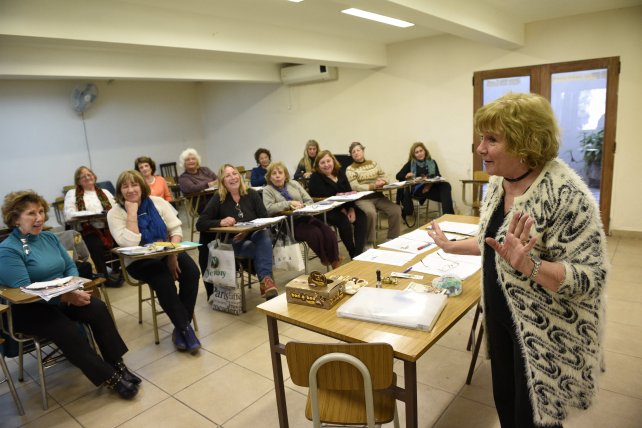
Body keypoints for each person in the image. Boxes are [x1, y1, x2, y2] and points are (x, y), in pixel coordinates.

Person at [427, 92, 607, 428]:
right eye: (481, 138)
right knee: (507, 405)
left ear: (526, 144)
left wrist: (530, 266)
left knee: (535, 418)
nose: (480, 148)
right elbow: (494, 244)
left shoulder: (567, 195)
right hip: (501, 318)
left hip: (545, 331)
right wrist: (451, 247)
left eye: (492, 140)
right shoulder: (499, 184)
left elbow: (590, 277)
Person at [0, 191, 141, 399]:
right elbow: (25, 289)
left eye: (41, 211)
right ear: (15, 219)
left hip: (61, 297)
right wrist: (66, 298)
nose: (39, 218)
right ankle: (109, 377)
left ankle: (117, 364)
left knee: (97, 308)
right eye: (31, 213)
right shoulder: (8, 249)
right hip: (28, 308)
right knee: (65, 328)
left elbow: (70, 266)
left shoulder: (49, 237)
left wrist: (75, 289)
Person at [107, 170, 201, 354]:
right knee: (163, 279)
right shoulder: (115, 213)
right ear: (119, 191)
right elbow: (129, 244)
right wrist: (132, 212)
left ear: (142, 186)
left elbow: (176, 230)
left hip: (166, 251)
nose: (130, 190)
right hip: (138, 261)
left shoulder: (158, 202)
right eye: (125, 186)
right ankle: (185, 330)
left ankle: (181, 327)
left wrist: (172, 255)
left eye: (134, 184)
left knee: (191, 272)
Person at [196, 164, 278, 301]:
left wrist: (247, 231)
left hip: (254, 236)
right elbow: (200, 223)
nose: (233, 177)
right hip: (233, 242)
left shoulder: (251, 194)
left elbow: (265, 218)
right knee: (261, 247)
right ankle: (266, 282)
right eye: (227, 175)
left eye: (234, 174)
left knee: (263, 235)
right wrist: (220, 222)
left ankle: (266, 282)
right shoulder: (218, 198)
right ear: (222, 181)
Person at [263, 162, 342, 268]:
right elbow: (268, 208)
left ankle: (335, 261)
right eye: (274, 173)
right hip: (286, 224)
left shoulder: (294, 184)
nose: (277, 176)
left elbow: (309, 200)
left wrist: (302, 206)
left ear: (285, 175)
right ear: (269, 177)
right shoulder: (268, 190)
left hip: (305, 216)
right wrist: (289, 204)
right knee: (314, 233)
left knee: (328, 232)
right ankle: (327, 259)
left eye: (280, 173)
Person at [64, 166, 120, 287]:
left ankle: (120, 272)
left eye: (89, 174)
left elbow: (116, 209)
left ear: (94, 176)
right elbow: (69, 215)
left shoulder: (104, 192)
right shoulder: (72, 193)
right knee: (95, 245)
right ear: (78, 181)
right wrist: (93, 214)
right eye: (83, 176)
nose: (87, 177)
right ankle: (104, 278)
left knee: (121, 239)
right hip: (87, 230)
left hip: (108, 227)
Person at [308, 150, 367, 259]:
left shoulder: (339, 172)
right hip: (326, 210)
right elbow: (323, 196)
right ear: (318, 165)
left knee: (362, 216)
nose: (326, 165)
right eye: (322, 162)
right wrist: (341, 209)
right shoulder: (315, 178)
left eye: (328, 161)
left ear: (333, 161)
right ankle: (352, 252)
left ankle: (358, 253)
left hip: (345, 206)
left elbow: (349, 191)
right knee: (344, 221)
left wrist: (351, 208)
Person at [345, 142, 401, 246]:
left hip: (378, 196)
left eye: (358, 150)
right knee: (370, 213)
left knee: (396, 210)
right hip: (362, 198)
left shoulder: (374, 164)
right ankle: (369, 243)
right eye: (353, 152)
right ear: (351, 155)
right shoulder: (350, 169)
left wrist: (383, 181)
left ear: (363, 151)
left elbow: (384, 176)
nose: (356, 153)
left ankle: (392, 238)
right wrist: (372, 186)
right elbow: (354, 186)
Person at [395, 142, 454, 215]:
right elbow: (398, 175)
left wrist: (428, 185)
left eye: (421, 151)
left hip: (431, 186)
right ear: (414, 155)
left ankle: (448, 216)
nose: (420, 153)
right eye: (417, 152)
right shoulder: (411, 163)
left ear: (425, 151)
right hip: (418, 189)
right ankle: (449, 216)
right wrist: (406, 175)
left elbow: (437, 175)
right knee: (446, 197)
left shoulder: (432, 162)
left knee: (446, 185)